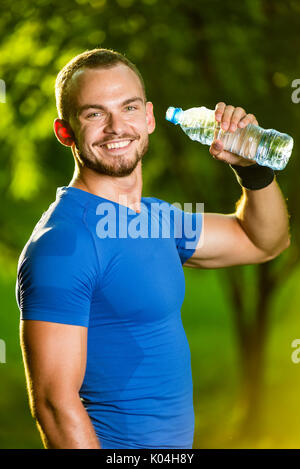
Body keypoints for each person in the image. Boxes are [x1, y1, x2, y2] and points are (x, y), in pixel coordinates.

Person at [16, 48, 290, 450]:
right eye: (94, 113)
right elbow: (55, 406)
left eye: (127, 108)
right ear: (65, 132)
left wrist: (252, 167)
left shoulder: (154, 219)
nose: (115, 127)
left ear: (148, 118)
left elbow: (265, 241)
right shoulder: (63, 243)